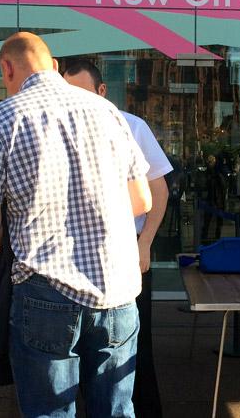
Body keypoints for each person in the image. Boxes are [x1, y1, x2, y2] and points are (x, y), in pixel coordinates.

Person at [0, 32, 151, 418]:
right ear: (56, 67)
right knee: (115, 410)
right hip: (118, 287)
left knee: (49, 412)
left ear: (7, 68)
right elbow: (141, 200)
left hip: (45, 287)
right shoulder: (107, 112)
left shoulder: (0, 119)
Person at [63, 59, 172, 418]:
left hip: (126, 254)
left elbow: (158, 191)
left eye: (81, 91)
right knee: (70, 353)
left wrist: (145, 244)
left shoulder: (129, 125)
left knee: (129, 350)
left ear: (102, 91)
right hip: (70, 259)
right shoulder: (56, 126)